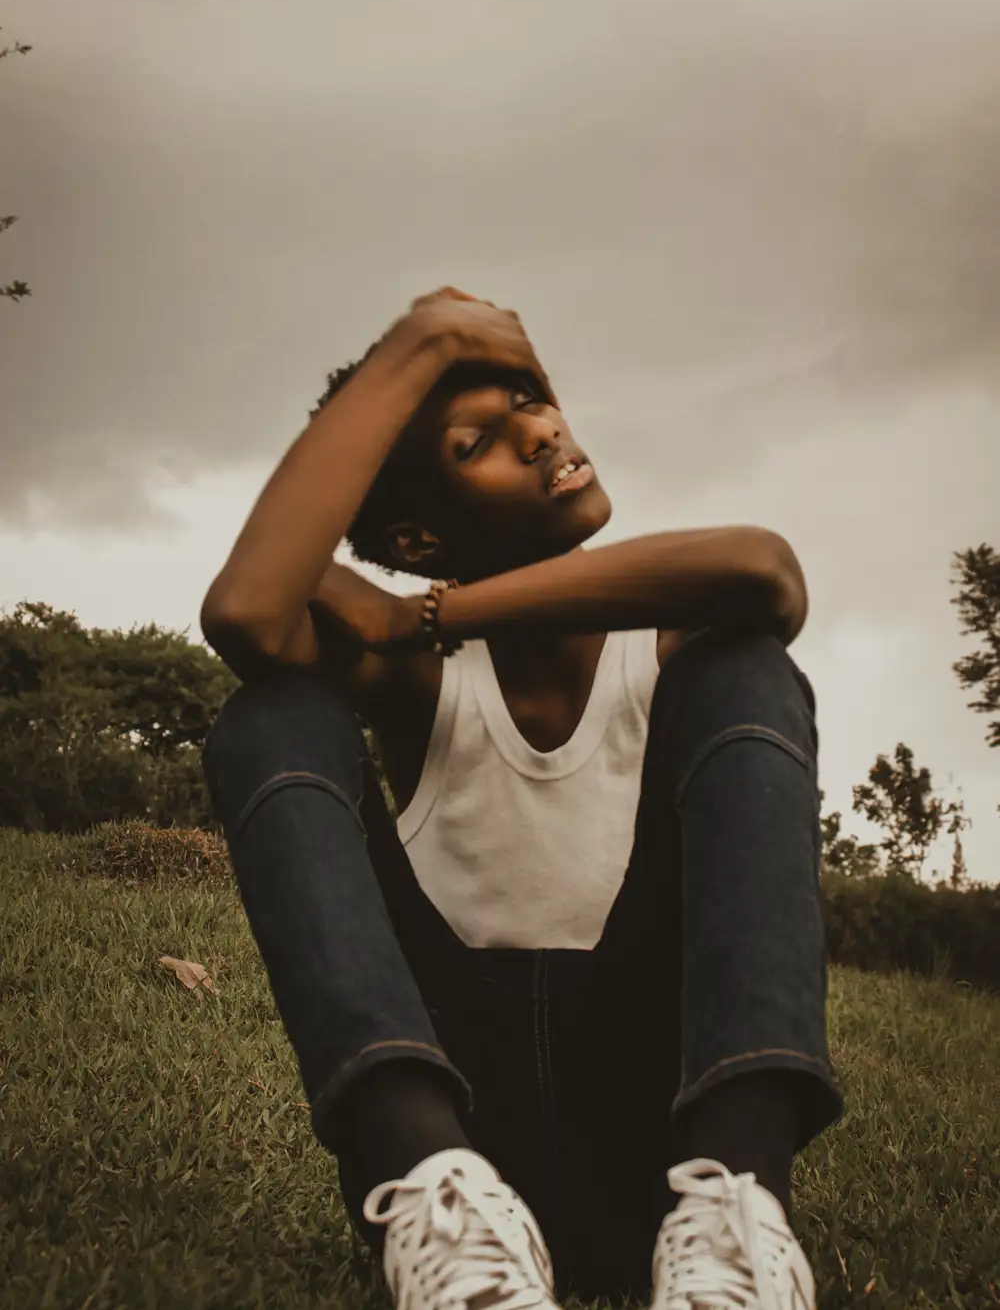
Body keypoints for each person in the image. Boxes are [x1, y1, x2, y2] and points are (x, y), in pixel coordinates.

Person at [200, 287, 843, 1310]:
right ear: (414, 539)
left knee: (750, 669)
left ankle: (739, 1203)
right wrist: (422, 336)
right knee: (268, 716)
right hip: (467, 1155)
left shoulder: (665, 646)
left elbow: (763, 572)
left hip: (654, 1154)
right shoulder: (419, 689)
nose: (543, 429)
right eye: (481, 442)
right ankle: (419, 1184)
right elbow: (247, 612)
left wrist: (427, 615)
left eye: (528, 399)